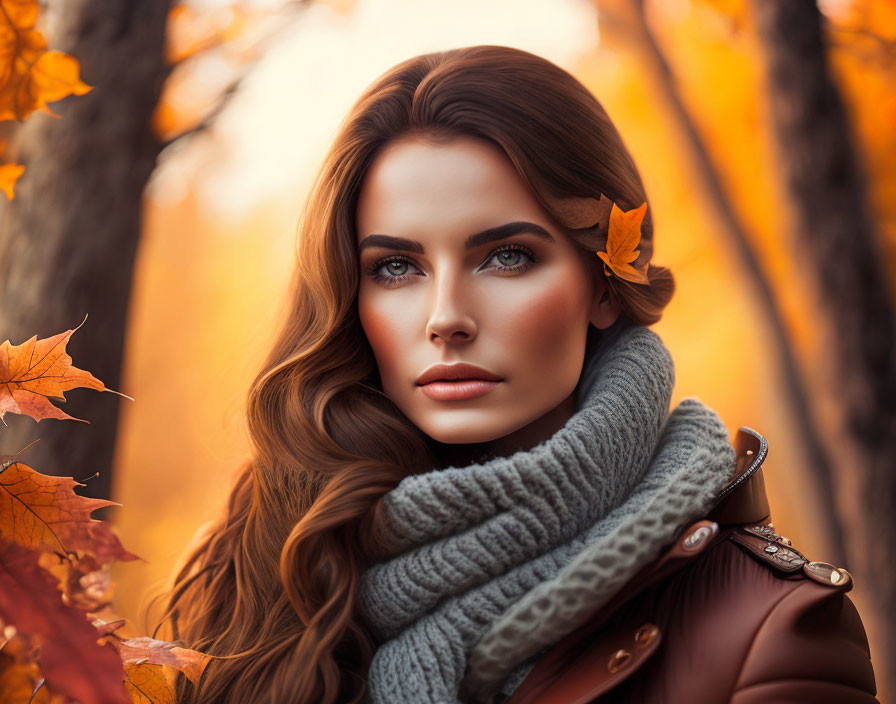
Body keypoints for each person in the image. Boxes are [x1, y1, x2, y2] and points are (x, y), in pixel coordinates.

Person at [155, 45, 878, 704]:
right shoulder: (265, 564)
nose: (445, 317)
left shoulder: (773, 629)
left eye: (506, 257)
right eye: (397, 267)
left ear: (601, 285)